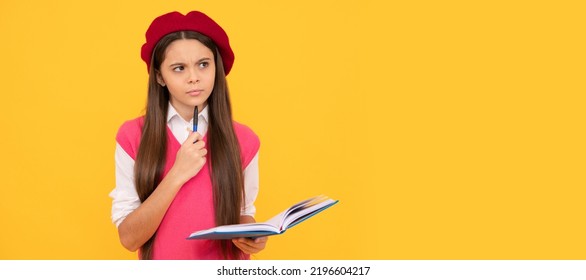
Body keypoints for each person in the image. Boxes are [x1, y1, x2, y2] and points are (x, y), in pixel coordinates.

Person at [109, 11, 268, 260]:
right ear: (160, 76)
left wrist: (254, 235)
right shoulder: (132, 137)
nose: (194, 77)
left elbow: (243, 213)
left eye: (203, 64)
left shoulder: (245, 140)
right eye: (179, 68)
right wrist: (177, 173)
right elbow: (129, 238)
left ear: (217, 67)